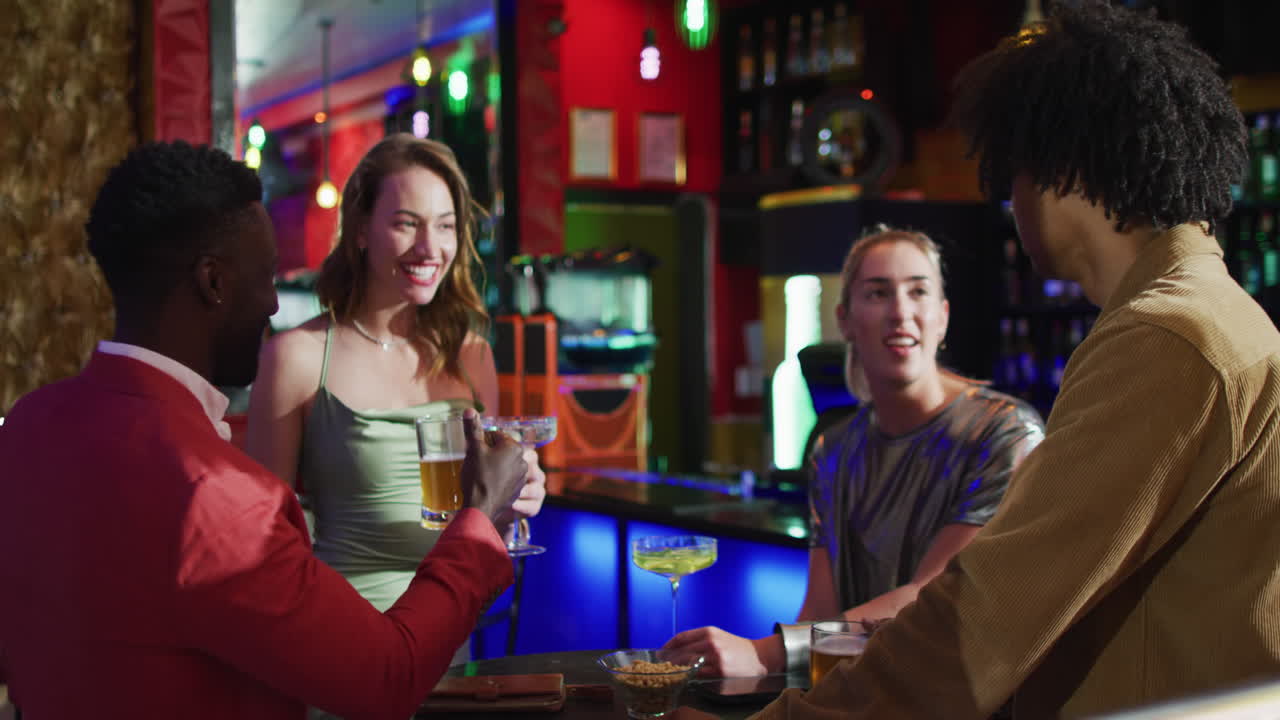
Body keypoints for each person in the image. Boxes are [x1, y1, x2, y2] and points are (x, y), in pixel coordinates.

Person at [689, 2, 1280, 718]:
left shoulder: (1165, 336)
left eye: (1011, 174)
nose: (1010, 201)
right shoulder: (1208, 313)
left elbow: (986, 617)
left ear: (1063, 166)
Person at [0, 140, 530, 719]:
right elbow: (383, 677)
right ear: (214, 283)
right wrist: (477, 524)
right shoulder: (222, 495)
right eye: (266, 276)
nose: (276, 305)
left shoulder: (27, 427)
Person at [663, 227, 1044, 678]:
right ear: (844, 319)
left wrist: (765, 654)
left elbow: (933, 599)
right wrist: (758, 671)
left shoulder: (1005, 434)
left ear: (941, 317)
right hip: (864, 696)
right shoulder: (835, 449)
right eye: (878, 293)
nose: (901, 312)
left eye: (918, 292)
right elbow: (819, 613)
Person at [246, 134, 546, 666]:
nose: (431, 248)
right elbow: (262, 546)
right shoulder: (294, 357)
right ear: (361, 230)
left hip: (450, 648)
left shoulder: (472, 356)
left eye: (446, 225)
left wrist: (514, 500)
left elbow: (481, 536)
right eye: (407, 223)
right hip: (342, 648)